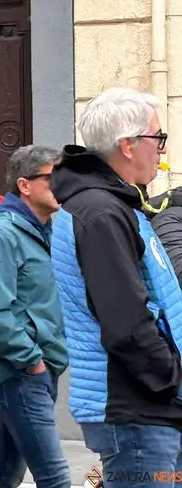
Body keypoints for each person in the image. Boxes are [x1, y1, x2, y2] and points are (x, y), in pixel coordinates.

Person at [50, 87, 182, 487]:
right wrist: (171, 378)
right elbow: (126, 321)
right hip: (137, 409)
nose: (160, 150)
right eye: (157, 138)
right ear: (127, 145)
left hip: (146, 406)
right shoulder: (101, 212)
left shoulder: (113, 204)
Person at [0, 145, 70, 488]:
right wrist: (32, 362)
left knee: (5, 473)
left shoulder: (45, 230)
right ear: (25, 185)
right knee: (55, 477)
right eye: (52, 176)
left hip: (40, 369)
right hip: (20, 373)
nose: (62, 183)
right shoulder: (1, 233)